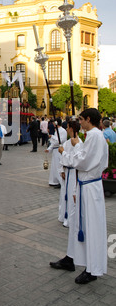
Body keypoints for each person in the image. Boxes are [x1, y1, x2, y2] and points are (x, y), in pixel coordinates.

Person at [56, 108, 108, 284]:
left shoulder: (94, 136)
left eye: (81, 120)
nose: (80, 123)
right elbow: (86, 158)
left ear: (88, 119)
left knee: (91, 227)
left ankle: (92, 269)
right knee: (80, 224)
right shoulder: (95, 135)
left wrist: (65, 153)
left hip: (90, 188)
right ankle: (73, 258)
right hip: (87, 186)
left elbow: (82, 162)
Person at [57, 119, 82, 227]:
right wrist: (62, 169)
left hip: (74, 174)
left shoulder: (79, 143)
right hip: (67, 172)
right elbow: (63, 160)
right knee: (65, 194)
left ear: (71, 128)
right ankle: (63, 215)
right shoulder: (67, 142)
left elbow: (74, 160)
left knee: (72, 195)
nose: (66, 129)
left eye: (67, 127)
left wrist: (63, 152)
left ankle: (71, 219)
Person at [45, 118, 67, 187]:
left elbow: (61, 141)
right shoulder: (56, 131)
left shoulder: (63, 131)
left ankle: (60, 181)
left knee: (58, 166)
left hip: (59, 150)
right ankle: (54, 181)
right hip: (55, 150)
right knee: (54, 166)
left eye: (54, 123)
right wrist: (49, 149)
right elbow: (54, 142)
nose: (53, 124)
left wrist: (52, 137)